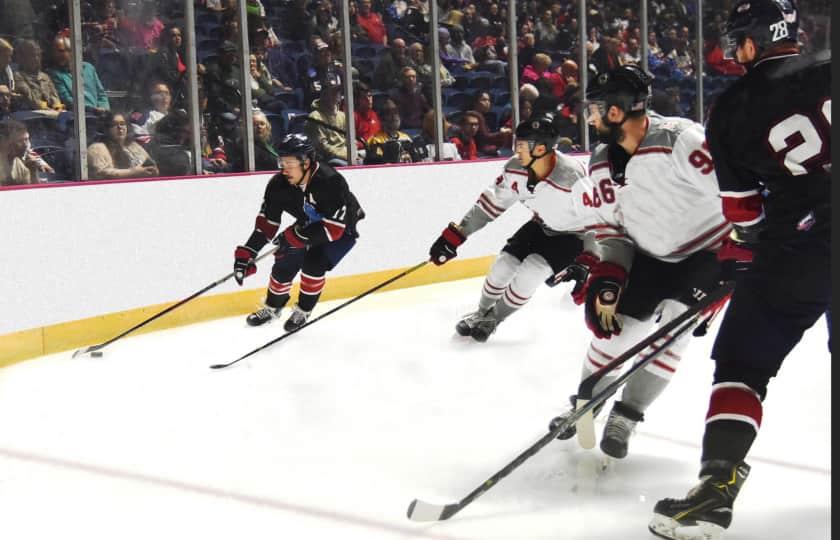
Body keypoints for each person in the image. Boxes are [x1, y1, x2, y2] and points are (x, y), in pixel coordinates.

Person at [650, 2, 831, 539]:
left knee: (742, 366)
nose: (734, 50)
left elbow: (743, 214)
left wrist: (741, 254)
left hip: (798, 249)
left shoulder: (733, 109)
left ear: (756, 40)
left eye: (738, 40)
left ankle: (716, 488)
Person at [545, 64, 731, 461]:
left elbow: (733, 193)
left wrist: (742, 252)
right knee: (614, 331)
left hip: (708, 253)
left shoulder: (681, 139)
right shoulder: (599, 162)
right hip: (648, 254)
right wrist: (609, 275)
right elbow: (610, 229)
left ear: (616, 112)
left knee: (675, 330)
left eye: (594, 109)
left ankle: (626, 415)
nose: (589, 117)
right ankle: (586, 403)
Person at [428, 112, 589, 342]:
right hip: (540, 225)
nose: (516, 150)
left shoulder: (573, 175)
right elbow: (489, 205)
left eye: (522, 145)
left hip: (575, 235)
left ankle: (494, 319)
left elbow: (599, 217)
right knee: (503, 265)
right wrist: (455, 236)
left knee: (532, 272)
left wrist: (591, 258)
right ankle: (481, 313)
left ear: (540, 149)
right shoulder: (515, 168)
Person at [232, 133, 364, 330]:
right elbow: (267, 224)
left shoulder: (330, 182)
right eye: (281, 162)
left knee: (314, 263)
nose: (284, 169)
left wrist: (293, 237)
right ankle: (272, 307)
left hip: (342, 228)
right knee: (285, 259)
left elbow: (333, 230)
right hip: (309, 224)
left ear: (306, 162)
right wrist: (248, 252)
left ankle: (303, 310)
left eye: (289, 163)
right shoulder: (278, 184)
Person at [47, 36, 109, 115]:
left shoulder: (89, 68)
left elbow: (101, 94)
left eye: (61, 51)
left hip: (99, 115)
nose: (57, 55)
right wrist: (92, 110)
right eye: (55, 51)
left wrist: (104, 108)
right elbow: (67, 100)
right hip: (77, 117)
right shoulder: (54, 74)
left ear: (72, 51)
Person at [87, 111, 158, 179]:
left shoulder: (133, 145)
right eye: (114, 124)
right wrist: (132, 172)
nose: (120, 127)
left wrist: (152, 170)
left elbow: (150, 163)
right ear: (106, 128)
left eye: (122, 123)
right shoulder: (97, 148)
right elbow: (101, 173)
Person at [304, 73, 348, 166]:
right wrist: (346, 155)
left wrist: (354, 152)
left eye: (337, 92)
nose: (335, 95)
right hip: (327, 161)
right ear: (323, 94)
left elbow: (349, 140)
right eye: (331, 92)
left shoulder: (343, 115)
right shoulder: (315, 117)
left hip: (346, 155)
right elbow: (322, 147)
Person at [13, 40, 64, 112]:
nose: (37, 58)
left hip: (51, 114)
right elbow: (30, 99)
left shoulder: (45, 77)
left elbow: (54, 96)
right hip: (30, 116)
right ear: (22, 57)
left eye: (39, 55)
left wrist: (58, 108)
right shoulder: (18, 76)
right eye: (33, 55)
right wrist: (48, 108)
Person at [364, 98, 417, 164]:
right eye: (389, 113)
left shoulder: (406, 138)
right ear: (381, 119)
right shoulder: (375, 140)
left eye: (396, 112)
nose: (394, 116)